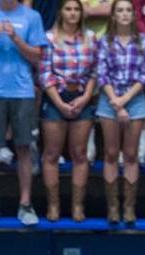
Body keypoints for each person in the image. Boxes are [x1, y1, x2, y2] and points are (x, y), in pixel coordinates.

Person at [0, 0, 46, 226]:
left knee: (24, 148)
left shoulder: (32, 17)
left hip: (22, 91)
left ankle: (25, 203)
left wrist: (15, 38)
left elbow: (37, 56)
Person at [39, 0, 98, 222]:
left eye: (76, 9)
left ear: (81, 14)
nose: (72, 13)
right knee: (52, 154)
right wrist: (60, 102)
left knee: (80, 154)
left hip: (82, 98)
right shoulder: (48, 38)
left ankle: (77, 206)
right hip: (56, 98)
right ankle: (53, 205)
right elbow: (45, 73)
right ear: (61, 12)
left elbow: (94, 72)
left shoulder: (91, 38)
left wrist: (84, 98)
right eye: (68, 9)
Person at [96, 0, 145, 227]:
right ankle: (112, 207)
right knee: (110, 153)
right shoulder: (104, 41)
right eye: (120, 10)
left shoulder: (143, 41)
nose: (125, 14)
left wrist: (124, 100)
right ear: (113, 16)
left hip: (134, 100)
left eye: (129, 10)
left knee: (130, 154)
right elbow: (101, 74)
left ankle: (129, 207)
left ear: (134, 15)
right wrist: (115, 102)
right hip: (109, 99)